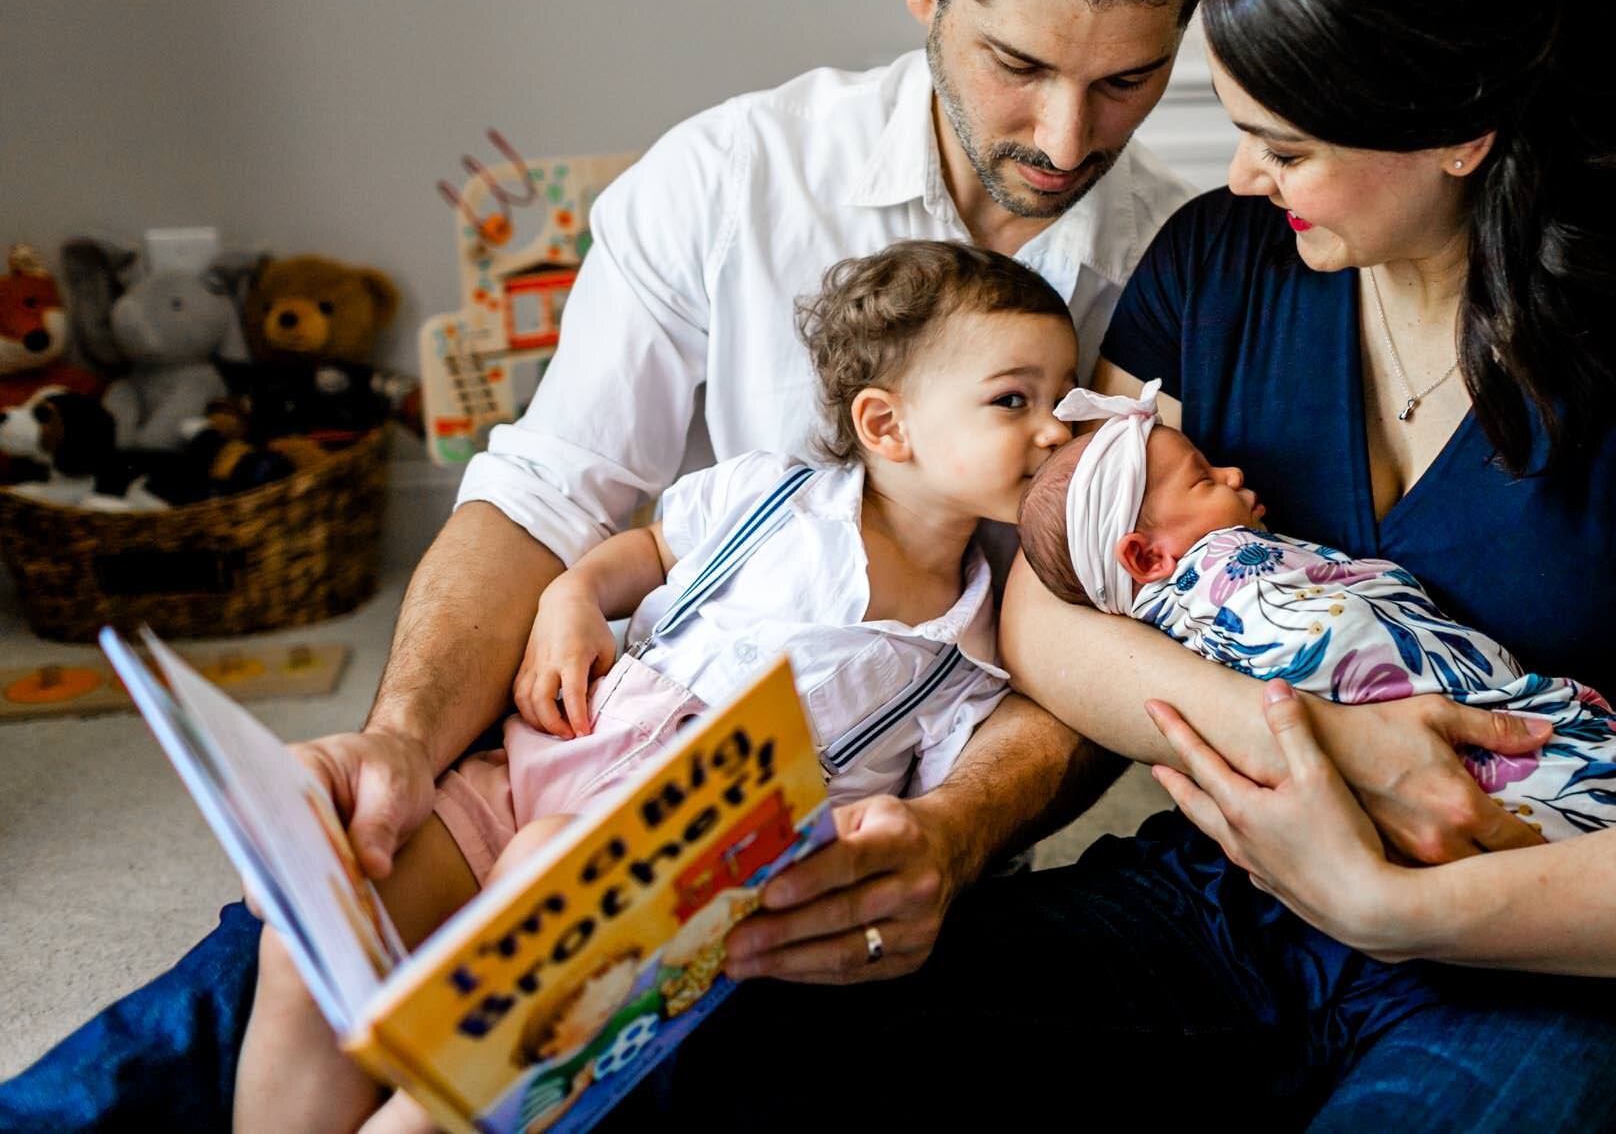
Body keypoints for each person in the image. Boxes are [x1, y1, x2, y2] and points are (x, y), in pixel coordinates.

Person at [0, 0, 1292, 1126]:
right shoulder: (727, 182)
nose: (1065, 138)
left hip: (824, 858)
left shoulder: (1182, 273)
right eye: (1017, 67)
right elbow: (548, 497)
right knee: (290, 932)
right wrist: (401, 739)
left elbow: (1113, 629)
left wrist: (959, 837)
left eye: (1129, 80)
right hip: (589, 752)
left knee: (575, 1054)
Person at [599, 0, 1616, 1130]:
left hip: (1568, 962)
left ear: (1459, 128)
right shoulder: (1219, 265)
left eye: (1289, 147)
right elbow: (1051, 599)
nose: (1248, 179)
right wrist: (1320, 744)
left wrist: (1401, 902)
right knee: (741, 1043)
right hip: (1240, 902)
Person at [234, 241, 1078, 1133]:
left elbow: (925, 813)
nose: (1056, 428)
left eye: (1063, 401)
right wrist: (573, 596)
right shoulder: (772, 494)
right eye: (1014, 400)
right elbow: (652, 551)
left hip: (660, 877)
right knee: (311, 933)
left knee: (538, 892)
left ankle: (426, 1104)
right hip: (538, 766)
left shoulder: (970, 646)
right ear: (886, 425)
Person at [1015, 381, 1616, 842]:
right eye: (1203, 477)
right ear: (1145, 557)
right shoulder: (1222, 584)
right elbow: (1333, 639)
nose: (1232, 475)